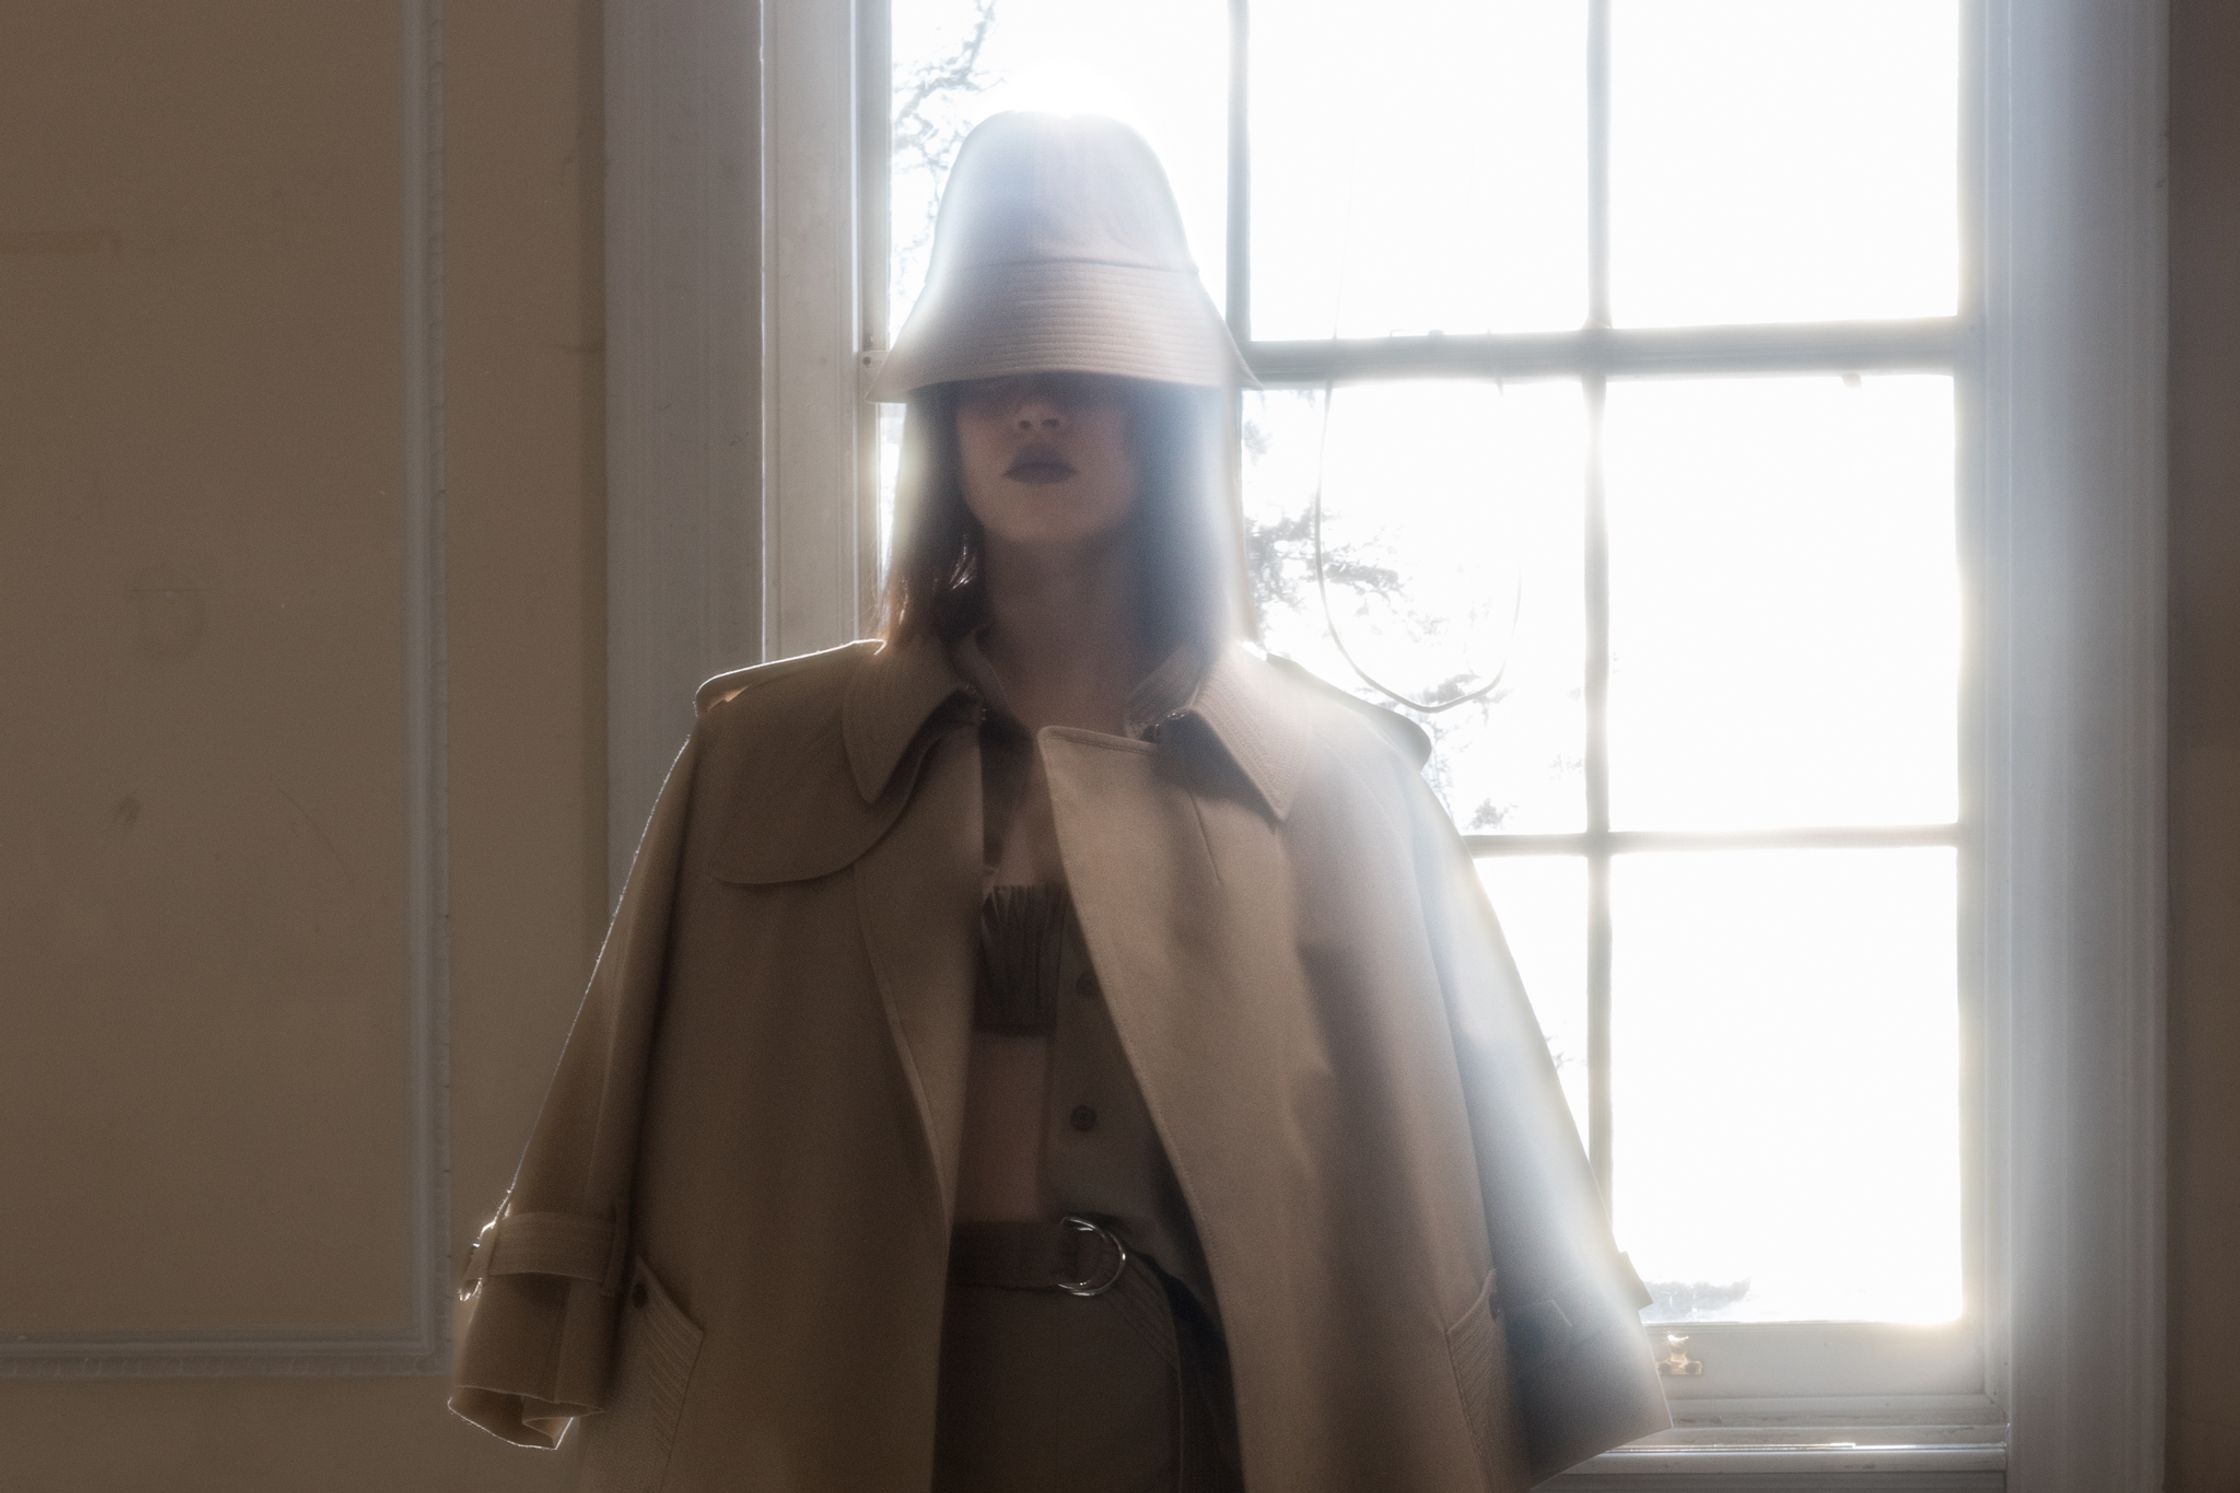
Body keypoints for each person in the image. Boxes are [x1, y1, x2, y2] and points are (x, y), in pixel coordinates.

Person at [448, 111, 1670, 1493]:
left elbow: (1462, 1130)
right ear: (943, 422)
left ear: (1168, 414)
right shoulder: (762, 760)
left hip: (1200, 1428)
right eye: (993, 375)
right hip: (832, 1420)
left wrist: (1565, 1345)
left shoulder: (1337, 783)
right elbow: (618, 1081)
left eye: (1086, 371)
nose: (1034, 409)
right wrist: (539, 1317)